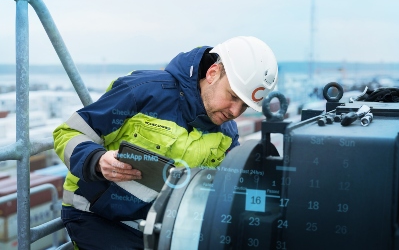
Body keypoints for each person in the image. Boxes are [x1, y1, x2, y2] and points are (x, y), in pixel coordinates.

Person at [53, 36, 279, 249]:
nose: (235, 112)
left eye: (245, 106)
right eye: (233, 96)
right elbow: (68, 132)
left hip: (165, 227)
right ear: (212, 73)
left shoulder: (227, 132)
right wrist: (97, 160)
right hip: (98, 217)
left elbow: (231, 184)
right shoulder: (143, 91)